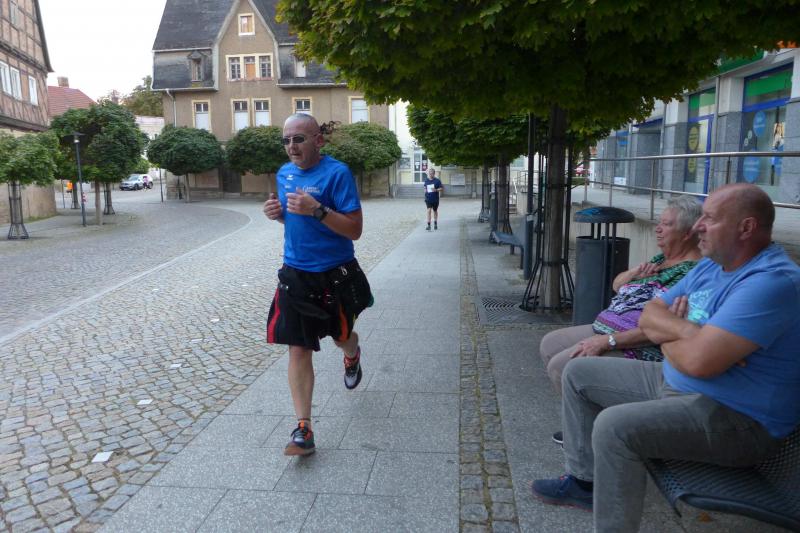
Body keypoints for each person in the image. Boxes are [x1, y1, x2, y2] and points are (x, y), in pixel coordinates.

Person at [532, 184, 800, 533]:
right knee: (577, 372)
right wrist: (690, 331)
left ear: (746, 227)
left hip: (736, 418)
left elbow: (699, 362)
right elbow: (650, 314)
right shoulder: (713, 266)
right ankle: (584, 483)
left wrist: (670, 334)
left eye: (710, 218)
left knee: (615, 427)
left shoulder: (770, 282)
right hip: (677, 381)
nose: (698, 226)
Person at [263, 113, 373, 456]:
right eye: (286, 140)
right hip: (295, 274)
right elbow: (294, 221)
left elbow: (354, 230)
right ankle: (304, 429)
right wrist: (279, 215)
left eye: (299, 139)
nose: (291, 146)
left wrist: (318, 210)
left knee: (341, 336)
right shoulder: (284, 173)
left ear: (318, 141)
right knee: (298, 348)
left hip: (334, 273)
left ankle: (352, 354)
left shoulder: (337, 173)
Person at [540, 195, 702, 395]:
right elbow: (617, 285)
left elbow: (663, 328)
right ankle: (584, 404)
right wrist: (634, 273)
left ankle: (591, 409)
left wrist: (607, 341)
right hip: (606, 327)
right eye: (659, 222)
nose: (657, 229)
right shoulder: (660, 260)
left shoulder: (692, 274)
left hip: (636, 345)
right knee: (550, 344)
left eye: (666, 224)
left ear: (687, 233)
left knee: (561, 366)